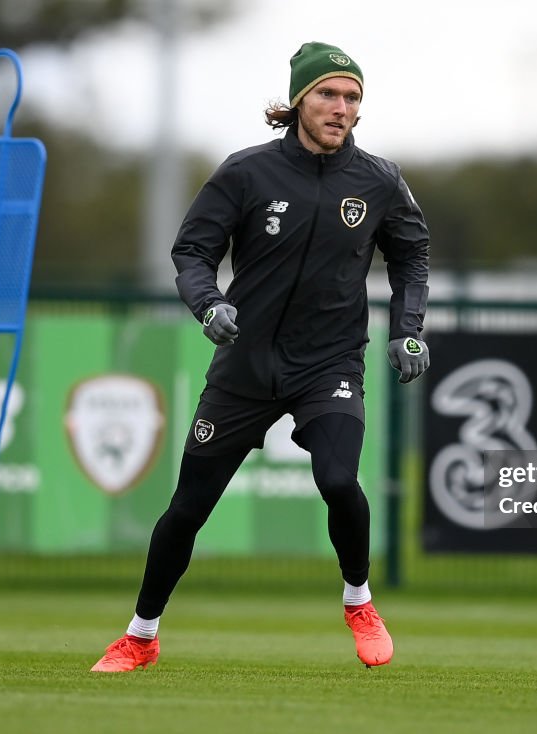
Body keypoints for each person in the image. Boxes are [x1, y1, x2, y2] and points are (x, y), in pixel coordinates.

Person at [91, 42, 430, 672]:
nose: (341, 108)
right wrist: (208, 304)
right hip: (244, 366)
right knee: (188, 506)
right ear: (300, 99)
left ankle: (359, 599)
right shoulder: (246, 173)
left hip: (328, 362)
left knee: (337, 480)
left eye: (352, 97)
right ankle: (140, 636)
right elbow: (191, 251)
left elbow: (411, 255)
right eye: (328, 94)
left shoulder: (379, 181)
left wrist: (407, 328)